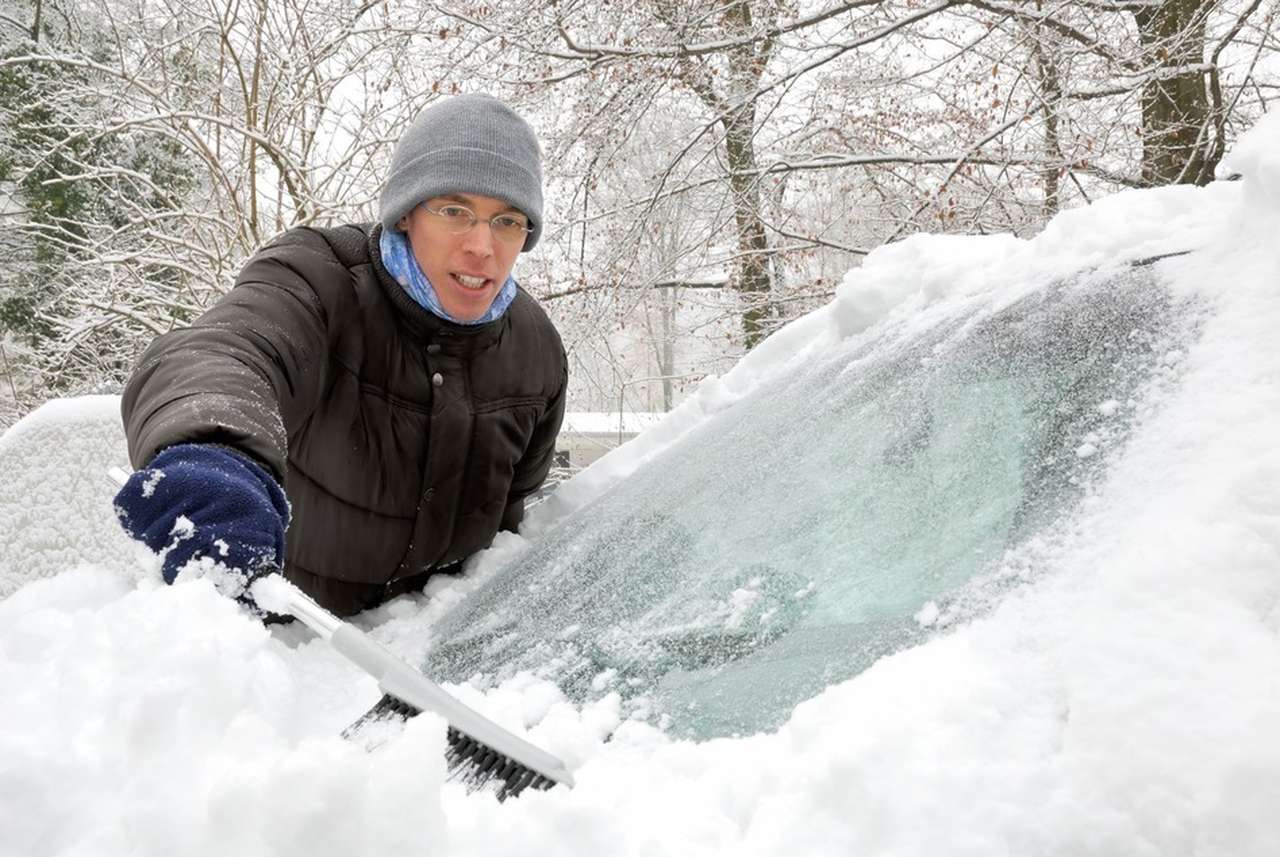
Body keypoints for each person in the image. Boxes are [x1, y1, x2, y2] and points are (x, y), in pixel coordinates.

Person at [112, 94, 567, 617]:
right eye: (454, 211)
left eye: (507, 220)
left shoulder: (537, 352)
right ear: (405, 215)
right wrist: (214, 454)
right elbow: (229, 349)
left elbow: (518, 516)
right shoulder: (320, 280)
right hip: (293, 648)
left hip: (439, 661)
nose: (483, 246)